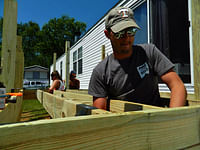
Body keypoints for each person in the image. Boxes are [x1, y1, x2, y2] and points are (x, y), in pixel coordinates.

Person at [88, 7, 187, 110]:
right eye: (120, 33)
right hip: (125, 122)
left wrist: (172, 119)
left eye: (131, 31)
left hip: (156, 119)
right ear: (108, 34)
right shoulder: (100, 72)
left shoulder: (149, 52)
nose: (126, 37)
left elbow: (177, 85)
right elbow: (99, 112)